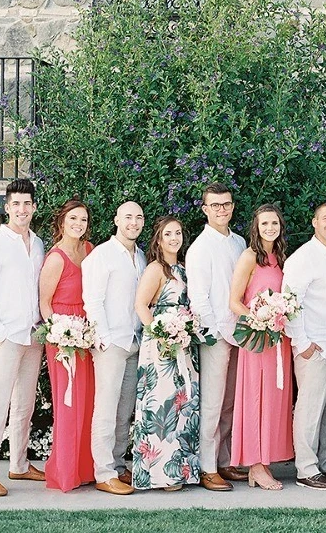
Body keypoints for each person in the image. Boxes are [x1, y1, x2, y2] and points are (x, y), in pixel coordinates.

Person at [0, 179, 47, 497]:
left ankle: (18, 464)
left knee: (25, 404)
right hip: (5, 337)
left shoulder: (39, 244)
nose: (22, 209)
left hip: (32, 337)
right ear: (6, 207)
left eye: (27, 203)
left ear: (34, 207)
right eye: (16, 203)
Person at [82, 201, 147, 496]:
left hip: (134, 341)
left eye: (138, 218)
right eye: (128, 217)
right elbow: (92, 301)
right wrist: (105, 339)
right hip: (111, 344)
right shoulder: (102, 255)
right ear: (116, 220)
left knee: (125, 410)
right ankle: (104, 472)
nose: (133, 222)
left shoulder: (141, 256)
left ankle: (119, 465)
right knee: (106, 411)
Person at [132, 216, 201, 491]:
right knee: (160, 406)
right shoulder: (155, 269)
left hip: (183, 345)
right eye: (168, 234)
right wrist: (162, 334)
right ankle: (159, 474)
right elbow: (141, 305)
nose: (174, 238)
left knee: (182, 405)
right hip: (160, 348)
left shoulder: (183, 269)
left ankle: (181, 470)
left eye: (178, 233)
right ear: (159, 240)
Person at [228, 204, 294, 490]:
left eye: (274, 223)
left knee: (275, 401)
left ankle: (264, 462)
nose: (270, 228)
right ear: (256, 227)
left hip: (280, 341)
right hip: (257, 340)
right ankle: (255, 464)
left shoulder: (281, 257)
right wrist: (258, 320)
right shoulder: (249, 257)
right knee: (256, 398)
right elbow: (234, 301)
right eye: (265, 223)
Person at [186, 183, 247, 491]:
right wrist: (211, 332)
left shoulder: (239, 242)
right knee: (211, 402)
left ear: (232, 207)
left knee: (229, 402)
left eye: (226, 204)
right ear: (205, 209)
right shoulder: (200, 247)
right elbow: (198, 296)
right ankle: (206, 466)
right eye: (215, 205)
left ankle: (224, 460)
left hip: (242, 333)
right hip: (216, 334)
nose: (222, 209)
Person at [284, 202, 326, 490]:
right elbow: (290, 302)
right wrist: (302, 342)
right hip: (314, 345)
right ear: (314, 222)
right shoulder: (303, 257)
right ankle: (306, 468)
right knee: (310, 409)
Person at [39, 199, 96, 492]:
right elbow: (45, 304)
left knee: (88, 401)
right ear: (62, 221)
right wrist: (60, 335)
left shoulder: (88, 250)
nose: (78, 224)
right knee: (68, 402)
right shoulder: (56, 258)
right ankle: (64, 472)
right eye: (73, 218)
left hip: (86, 335)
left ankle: (85, 468)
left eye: (83, 220)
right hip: (63, 339)